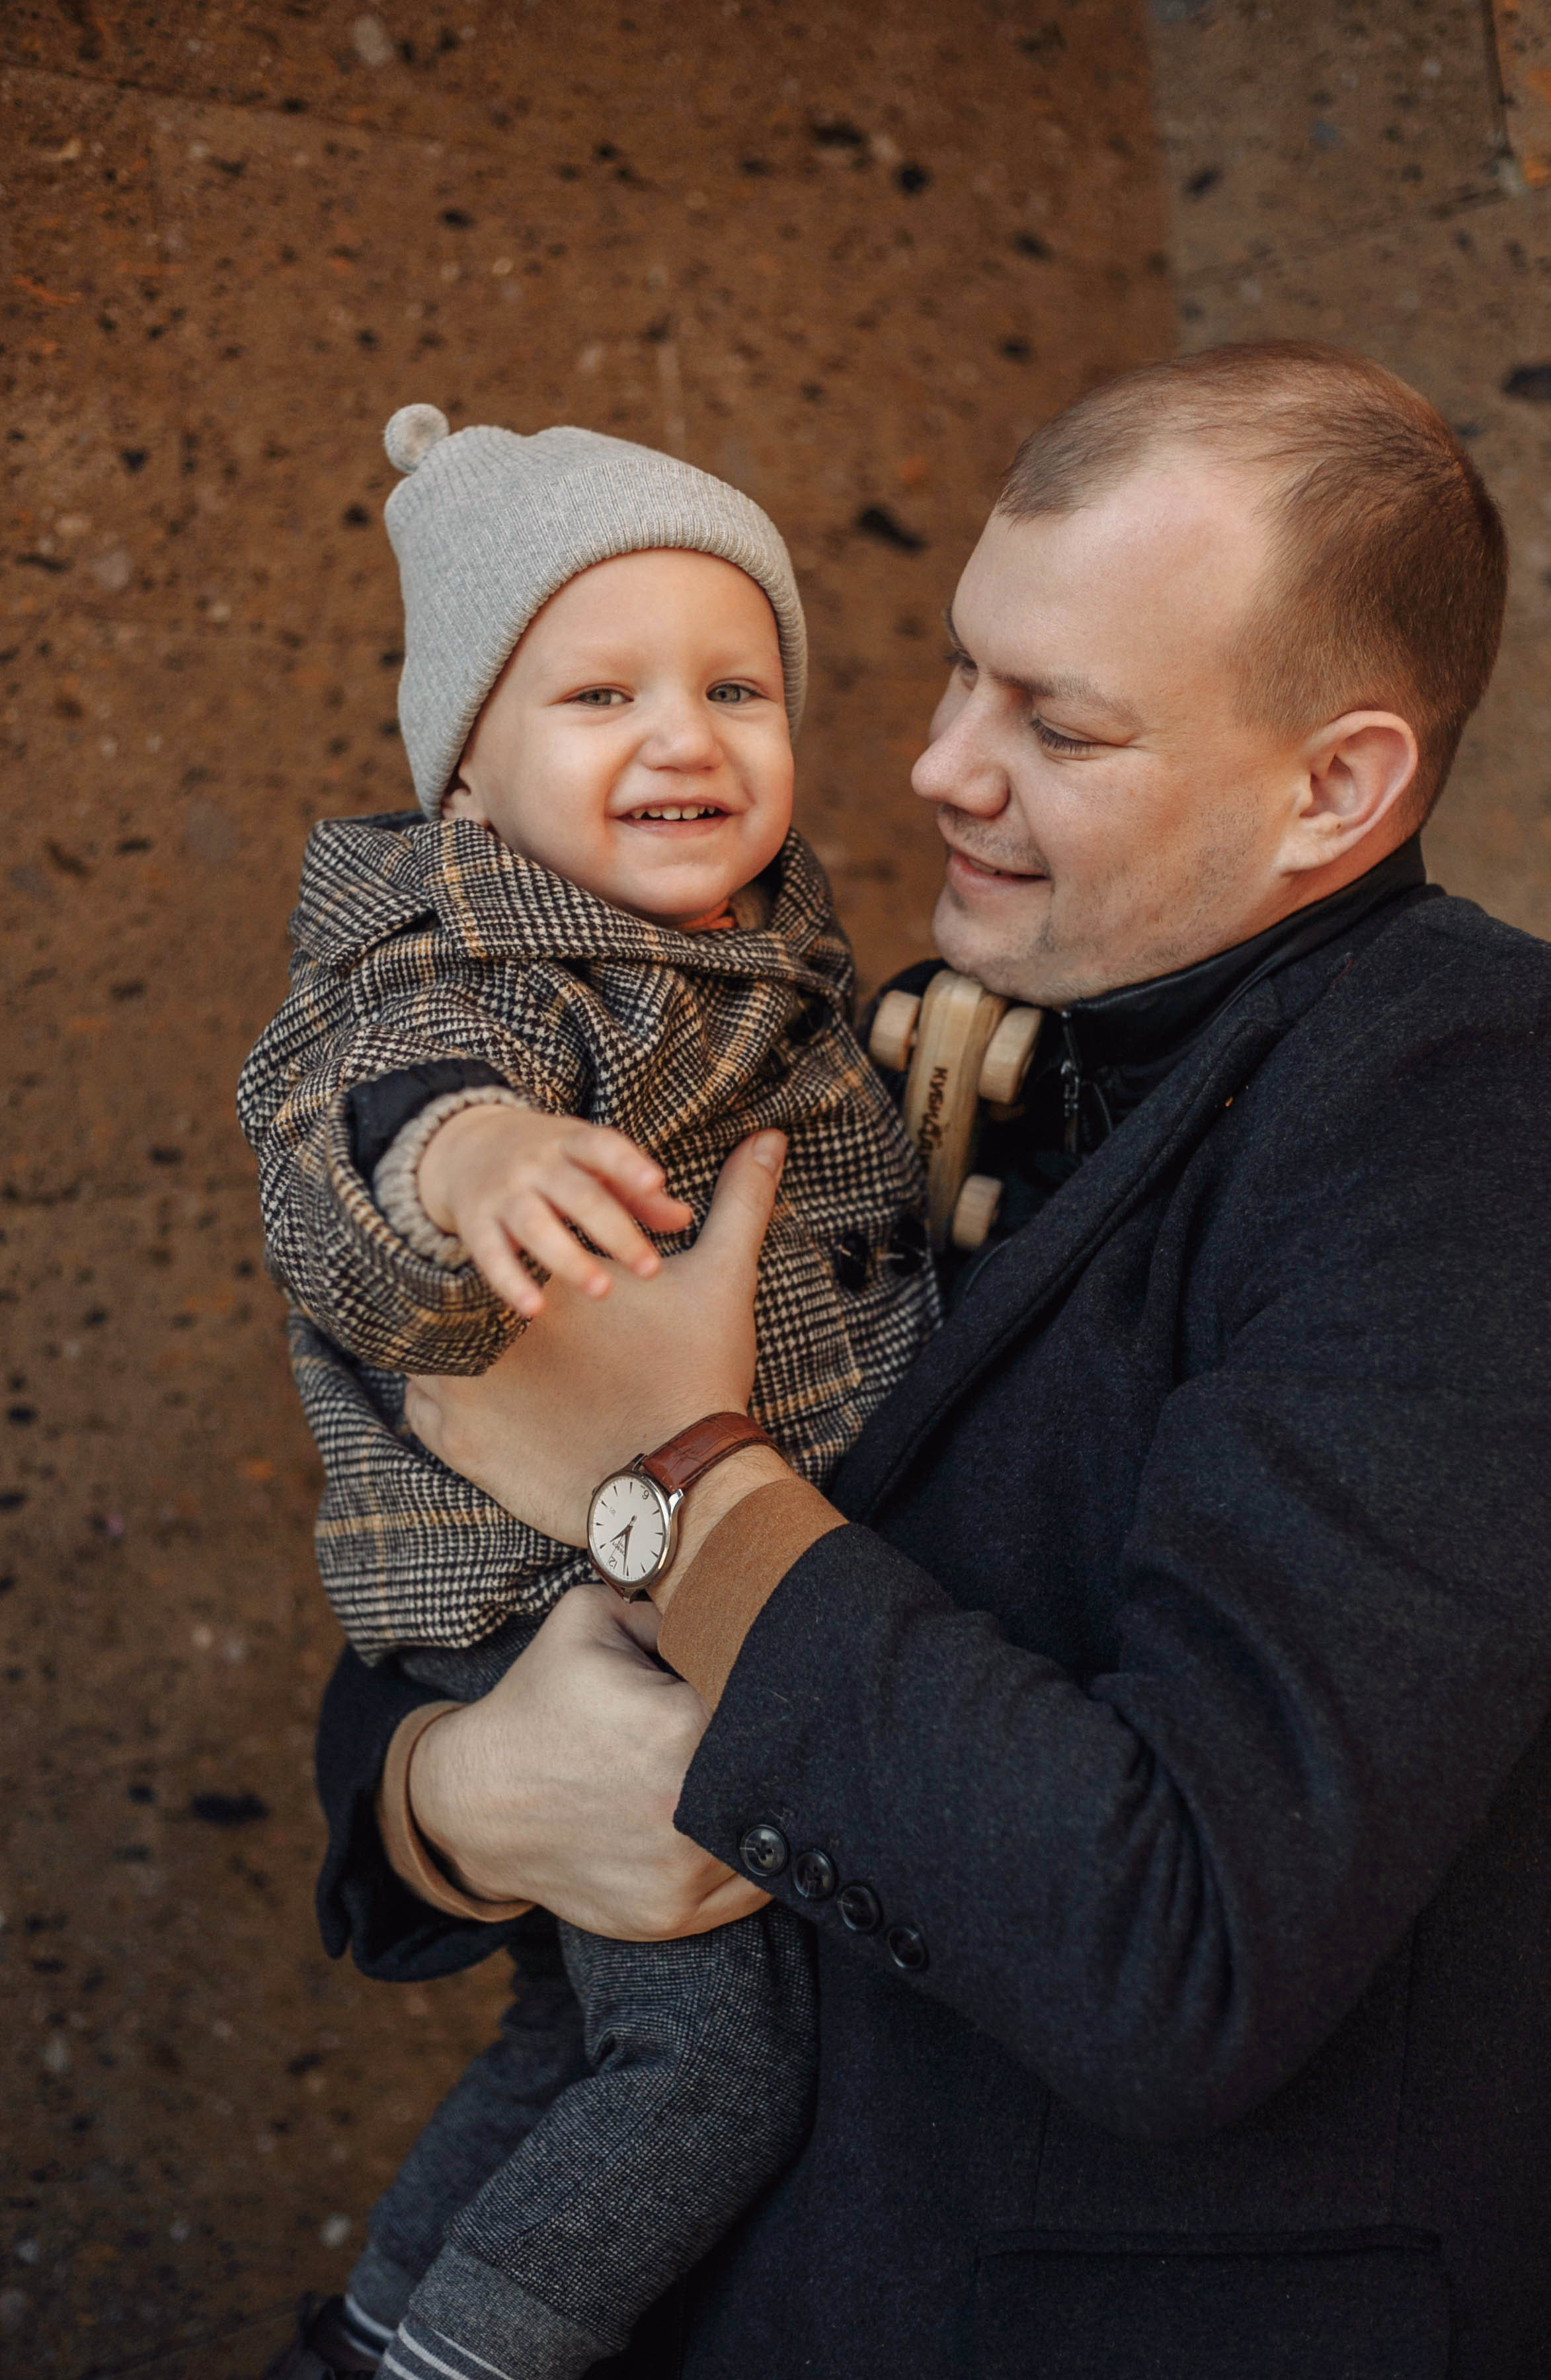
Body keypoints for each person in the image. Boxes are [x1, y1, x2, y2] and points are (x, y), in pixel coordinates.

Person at [304, 344, 1551, 2379]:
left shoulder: (1478, 1098)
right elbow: (470, 1599)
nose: (940, 767)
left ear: (1335, 784)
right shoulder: (852, 1034)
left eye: (1057, 724)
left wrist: (674, 1486)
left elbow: (1182, 1945)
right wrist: (460, 1799)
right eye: (962, 671)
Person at [243, 406, 935, 2380]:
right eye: (601, 692)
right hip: (545, 1600)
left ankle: (380, 2332)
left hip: (658, 1575)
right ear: (470, 758)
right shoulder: (477, 958)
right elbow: (371, 1114)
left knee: (581, 2029)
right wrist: (479, 1163)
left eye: (738, 687)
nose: (687, 739)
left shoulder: (756, 951)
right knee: (715, 2067)